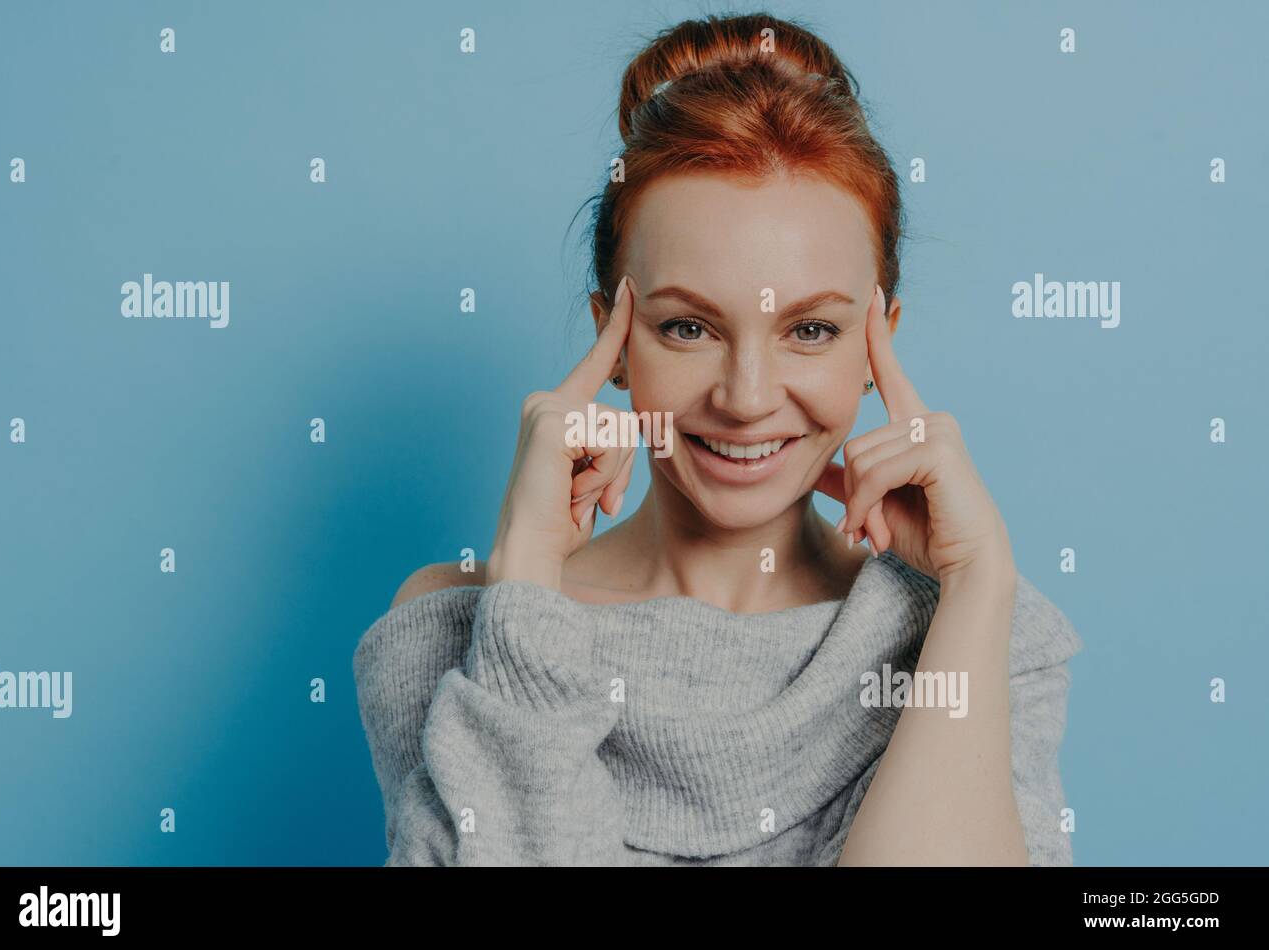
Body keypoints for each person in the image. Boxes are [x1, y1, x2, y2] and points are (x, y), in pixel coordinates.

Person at [353, 12, 1083, 866]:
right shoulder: (454, 627)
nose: (746, 399)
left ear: (877, 340)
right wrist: (527, 591)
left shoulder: (979, 624)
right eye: (688, 329)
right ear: (614, 340)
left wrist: (978, 583)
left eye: (810, 331)